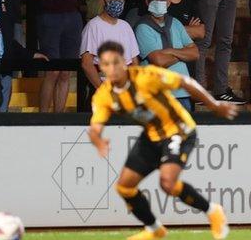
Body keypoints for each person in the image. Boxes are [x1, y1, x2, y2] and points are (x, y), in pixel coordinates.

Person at [88, 41, 237, 240]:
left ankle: (213, 211)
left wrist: (214, 105)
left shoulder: (146, 76)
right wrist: (98, 140)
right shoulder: (104, 95)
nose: (112, 69)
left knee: (167, 183)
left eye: (115, 62)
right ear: (101, 68)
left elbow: (185, 82)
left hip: (178, 130)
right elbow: (95, 126)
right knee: (124, 186)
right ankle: (154, 229)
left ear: (125, 62)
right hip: (151, 135)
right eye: (106, 65)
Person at [135, 0, 199, 111]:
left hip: (181, 93)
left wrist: (170, 51)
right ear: (147, 2)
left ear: (169, 2)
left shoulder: (176, 23)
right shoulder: (142, 27)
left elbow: (195, 53)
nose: (159, 3)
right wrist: (183, 54)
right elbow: (159, 61)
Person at [80, 0, 139, 92]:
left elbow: (134, 60)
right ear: (103, 0)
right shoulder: (93, 26)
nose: (117, 1)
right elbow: (87, 63)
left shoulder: (125, 26)